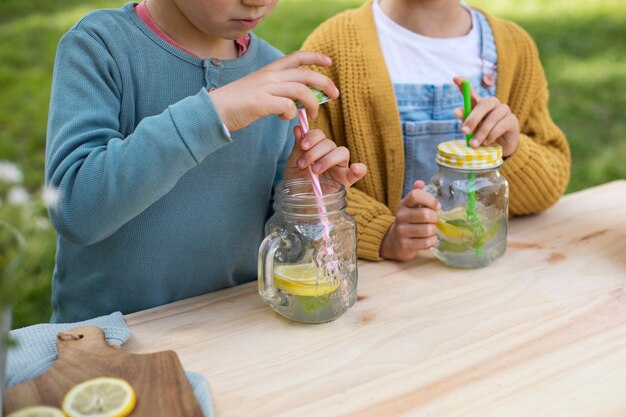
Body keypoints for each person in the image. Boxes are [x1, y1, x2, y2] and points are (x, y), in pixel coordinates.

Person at [45, 0, 367, 322]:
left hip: (234, 328)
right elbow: (76, 211)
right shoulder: (100, 45)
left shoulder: (273, 75)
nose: (257, 2)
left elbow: (278, 246)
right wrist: (215, 114)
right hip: (113, 336)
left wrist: (300, 201)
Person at [301, 0, 571, 261]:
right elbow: (304, 183)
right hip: (383, 285)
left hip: (487, 272)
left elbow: (548, 188)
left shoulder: (515, 47)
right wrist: (384, 233)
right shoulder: (331, 47)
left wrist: (510, 152)